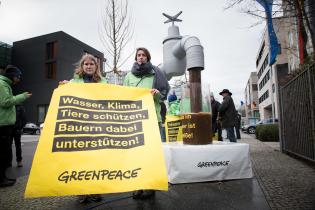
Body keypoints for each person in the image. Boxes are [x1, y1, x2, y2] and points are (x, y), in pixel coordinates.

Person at [123, 47, 170, 200]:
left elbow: (162, 96)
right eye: (138, 55)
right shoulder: (129, 76)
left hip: (151, 118)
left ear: (148, 58)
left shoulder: (155, 74)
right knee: (135, 154)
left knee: (151, 153)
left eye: (143, 55)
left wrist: (157, 95)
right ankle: (137, 185)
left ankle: (150, 185)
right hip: (134, 119)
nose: (141, 57)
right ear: (136, 57)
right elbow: (124, 97)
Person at [65, 54, 107, 203]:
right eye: (86, 64)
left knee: (97, 160)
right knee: (80, 160)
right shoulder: (73, 82)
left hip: (98, 128)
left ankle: (96, 190)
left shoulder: (104, 83)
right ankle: (82, 192)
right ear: (82, 67)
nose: (89, 66)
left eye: (92, 64)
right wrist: (63, 87)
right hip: (80, 128)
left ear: (96, 67)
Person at [0, 65, 31, 188]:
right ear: (12, 76)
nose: (19, 79)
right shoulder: (2, 85)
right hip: (2, 124)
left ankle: (3, 177)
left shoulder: (4, 84)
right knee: (2, 153)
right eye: (18, 77)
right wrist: (23, 96)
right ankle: (1, 180)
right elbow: (5, 102)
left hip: (6, 124)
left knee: (5, 152)